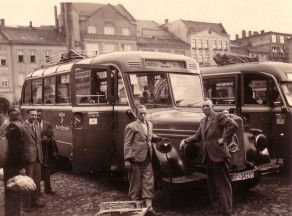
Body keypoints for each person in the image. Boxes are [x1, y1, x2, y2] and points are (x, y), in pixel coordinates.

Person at [179, 99, 238, 216]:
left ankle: (227, 211)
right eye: (203, 107)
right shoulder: (203, 121)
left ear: (212, 107)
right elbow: (197, 136)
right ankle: (217, 208)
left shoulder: (218, 117)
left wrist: (224, 138)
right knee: (212, 184)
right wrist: (185, 140)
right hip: (208, 157)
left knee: (223, 185)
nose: (205, 108)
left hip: (219, 156)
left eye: (207, 106)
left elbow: (233, 125)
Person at [124, 104, 161, 215]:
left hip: (147, 158)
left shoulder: (149, 124)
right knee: (135, 184)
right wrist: (127, 159)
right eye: (140, 113)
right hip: (135, 159)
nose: (143, 115)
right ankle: (134, 209)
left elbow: (147, 135)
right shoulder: (131, 126)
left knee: (149, 182)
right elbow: (127, 143)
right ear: (136, 114)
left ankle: (149, 208)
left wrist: (157, 137)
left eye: (145, 113)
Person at [2, 101, 24, 216]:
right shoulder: (14, 130)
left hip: (6, 165)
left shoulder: (6, 128)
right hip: (14, 166)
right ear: (18, 118)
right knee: (15, 192)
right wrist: (21, 167)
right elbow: (16, 151)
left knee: (8, 191)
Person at [21, 109, 45, 211]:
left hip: (37, 158)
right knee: (28, 182)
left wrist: (41, 156)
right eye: (32, 115)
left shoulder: (37, 126)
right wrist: (22, 161)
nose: (34, 117)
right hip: (28, 159)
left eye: (36, 115)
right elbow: (20, 146)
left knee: (37, 181)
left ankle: (35, 200)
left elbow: (38, 143)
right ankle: (26, 205)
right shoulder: (22, 127)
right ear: (27, 115)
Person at [36, 109, 58, 195]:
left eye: (39, 115)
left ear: (42, 115)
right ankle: (37, 191)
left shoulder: (47, 124)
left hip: (45, 151)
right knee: (37, 171)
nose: (38, 117)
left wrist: (48, 139)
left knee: (46, 170)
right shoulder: (33, 125)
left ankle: (48, 189)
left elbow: (52, 136)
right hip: (37, 151)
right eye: (36, 115)